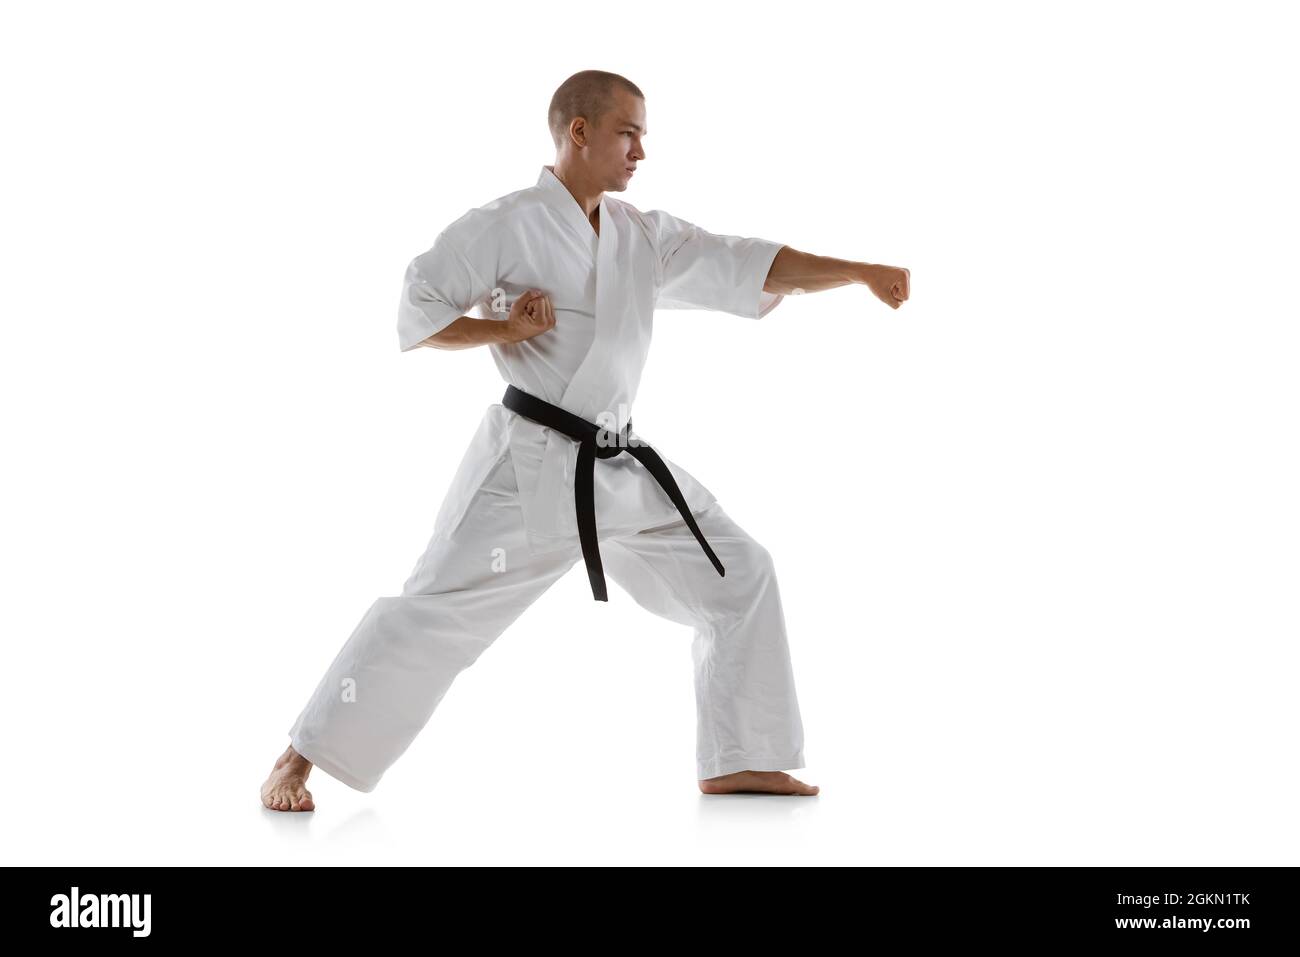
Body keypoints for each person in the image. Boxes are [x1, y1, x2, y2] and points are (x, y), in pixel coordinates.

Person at [261, 70, 910, 811]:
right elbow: (419, 307)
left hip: (617, 468)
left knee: (741, 573)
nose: (641, 151)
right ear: (579, 131)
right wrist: (505, 329)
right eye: (628, 132)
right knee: (433, 612)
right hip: (529, 471)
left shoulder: (640, 234)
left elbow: (749, 261)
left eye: (642, 135)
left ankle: (742, 756)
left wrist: (859, 272)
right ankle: (296, 759)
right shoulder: (506, 223)